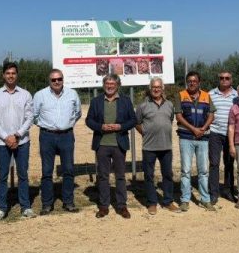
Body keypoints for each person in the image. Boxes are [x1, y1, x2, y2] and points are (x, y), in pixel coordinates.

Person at [0, 61, 35, 220]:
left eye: (13, 73)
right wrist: (6, 136)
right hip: (2, 143)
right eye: (8, 73)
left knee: (23, 174)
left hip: (22, 141)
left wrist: (17, 135)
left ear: (17, 75)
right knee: (2, 176)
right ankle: (2, 207)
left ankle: (26, 206)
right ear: (3, 75)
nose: (10, 76)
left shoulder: (26, 94)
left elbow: (30, 118)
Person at [86, 74, 137, 218]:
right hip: (102, 144)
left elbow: (133, 120)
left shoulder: (126, 101)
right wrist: (100, 126)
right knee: (103, 176)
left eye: (112, 84)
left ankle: (122, 206)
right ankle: (103, 206)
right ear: (104, 85)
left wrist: (120, 126)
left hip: (119, 144)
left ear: (118, 85)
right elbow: (88, 120)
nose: (109, 86)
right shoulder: (96, 101)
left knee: (120, 176)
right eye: (107, 83)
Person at [33, 68, 82, 215]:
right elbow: (34, 115)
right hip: (47, 136)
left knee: (68, 170)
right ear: (49, 81)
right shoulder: (40, 95)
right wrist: (46, 126)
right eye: (53, 80)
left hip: (66, 135)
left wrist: (67, 124)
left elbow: (78, 113)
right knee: (47, 172)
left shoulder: (72, 94)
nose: (57, 82)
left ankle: (68, 202)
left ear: (63, 79)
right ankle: (47, 204)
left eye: (59, 79)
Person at [135, 77, 178, 214]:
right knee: (149, 176)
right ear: (150, 88)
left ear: (162, 88)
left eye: (158, 87)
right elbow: (137, 122)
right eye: (154, 87)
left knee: (167, 175)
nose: (156, 89)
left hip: (166, 147)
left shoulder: (170, 105)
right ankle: (152, 203)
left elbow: (170, 119)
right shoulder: (142, 106)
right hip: (149, 147)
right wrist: (145, 133)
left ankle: (168, 201)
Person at [174, 71, 215, 212]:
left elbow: (211, 115)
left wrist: (202, 129)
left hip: (203, 138)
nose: (192, 83)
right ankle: (185, 200)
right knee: (185, 171)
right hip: (186, 138)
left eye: (194, 81)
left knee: (203, 171)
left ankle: (205, 199)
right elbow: (179, 117)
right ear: (187, 82)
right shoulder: (180, 95)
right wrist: (193, 129)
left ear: (199, 82)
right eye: (189, 81)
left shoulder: (206, 96)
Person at [208, 71, 238, 204]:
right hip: (214, 132)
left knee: (229, 163)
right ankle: (214, 192)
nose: (224, 80)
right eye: (221, 78)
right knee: (214, 163)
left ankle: (228, 191)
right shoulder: (210, 94)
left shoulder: (237, 95)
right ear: (218, 79)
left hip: (231, 135)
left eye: (227, 78)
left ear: (231, 80)